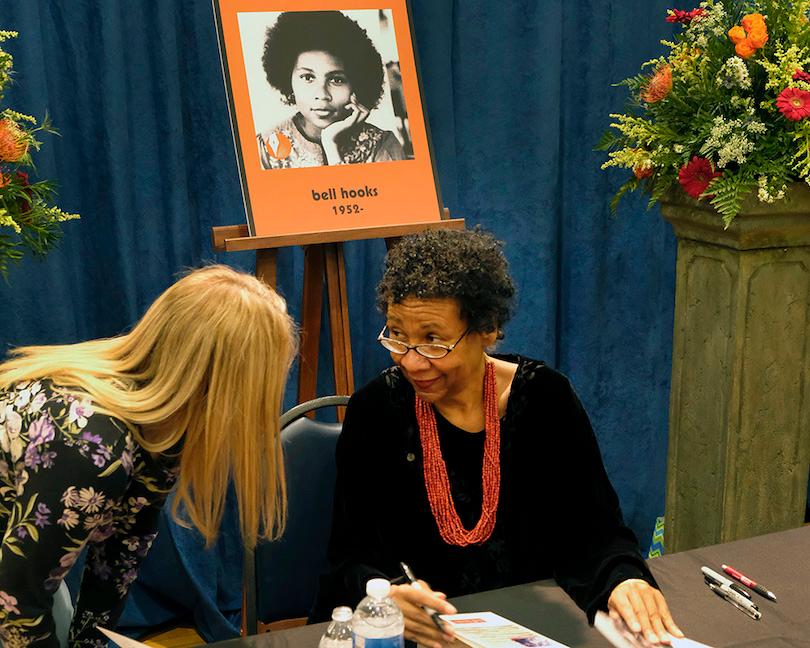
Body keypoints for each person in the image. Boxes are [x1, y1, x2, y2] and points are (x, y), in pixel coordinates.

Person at [311, 230, 683, 647]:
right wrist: (388, 594)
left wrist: (623, 580)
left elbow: (594, 533)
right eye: (397, 335)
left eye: (433, 340)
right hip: (419, 637)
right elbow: (349, 559)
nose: (412, 361)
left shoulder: (544, 398)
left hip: (534, 629)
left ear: (486, 329)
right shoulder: (377, 410)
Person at [0, 265, 296, 648]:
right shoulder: (91, 448)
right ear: (223, 383)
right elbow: (16, 603)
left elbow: (120, 555)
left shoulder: (163, 425)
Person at [257, 11, 405, 168]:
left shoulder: (381, 145)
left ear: (357, 85)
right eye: (307, 77)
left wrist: (331, 145)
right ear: (288, 79)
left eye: (337, 80)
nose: (322, 95)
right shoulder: (266, 147)